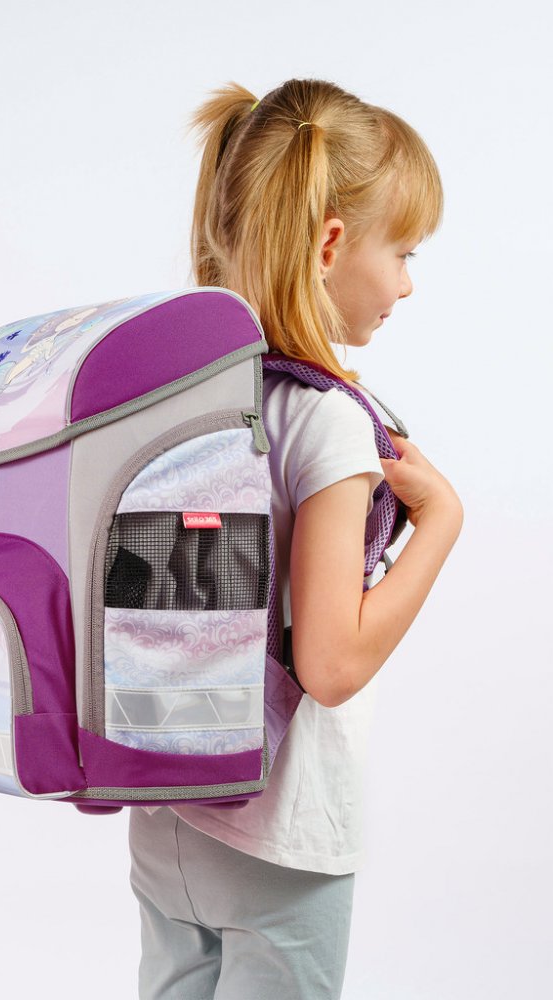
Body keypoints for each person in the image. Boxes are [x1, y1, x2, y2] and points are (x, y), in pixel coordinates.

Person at [128, 78, 464, 1000]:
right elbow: (330, 663)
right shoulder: (329, 422)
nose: (407, 282)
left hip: (169, 803)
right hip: (278, 831)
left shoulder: (189, 396)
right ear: (329, 245)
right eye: (403, 251)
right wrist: (440, 525)